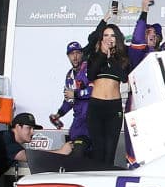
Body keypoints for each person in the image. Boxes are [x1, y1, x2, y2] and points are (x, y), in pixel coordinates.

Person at [85, 20, 130, 167]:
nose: (109, 38)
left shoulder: (123, 57)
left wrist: (111, 57)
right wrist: (103, 55)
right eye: (106, 35)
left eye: (112, 35)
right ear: (101, 38)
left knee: (110, 153)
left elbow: (123, 77)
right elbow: (91, 76)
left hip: (113, 108)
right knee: (98, 151)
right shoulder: (94, 56)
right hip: (96, 107)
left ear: (117, 38)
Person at [50, 40, 91, 154]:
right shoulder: (69, 76)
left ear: (82, 54)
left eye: (77, 53)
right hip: (78, 121)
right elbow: (69, 100)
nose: (75, 57)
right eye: (72, 54)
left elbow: (95, 91)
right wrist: (59, 114)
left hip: (91, 119)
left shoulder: (89, 69)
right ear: (68, 56)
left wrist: (76, 94)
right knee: (72, 151)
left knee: (81, 152)